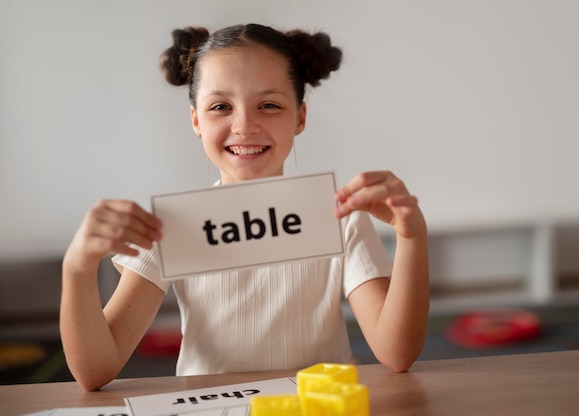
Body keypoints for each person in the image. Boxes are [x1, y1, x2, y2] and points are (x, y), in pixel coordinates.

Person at [60, 23, 429, 392]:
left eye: (269, 105)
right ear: (196, 120)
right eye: (220, 107)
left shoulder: (339, 219)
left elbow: (397, 353)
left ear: (299, 117)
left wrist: (411, 236)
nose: (244, 126)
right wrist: (77, 267)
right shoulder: (171, 227)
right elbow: (95, 370)